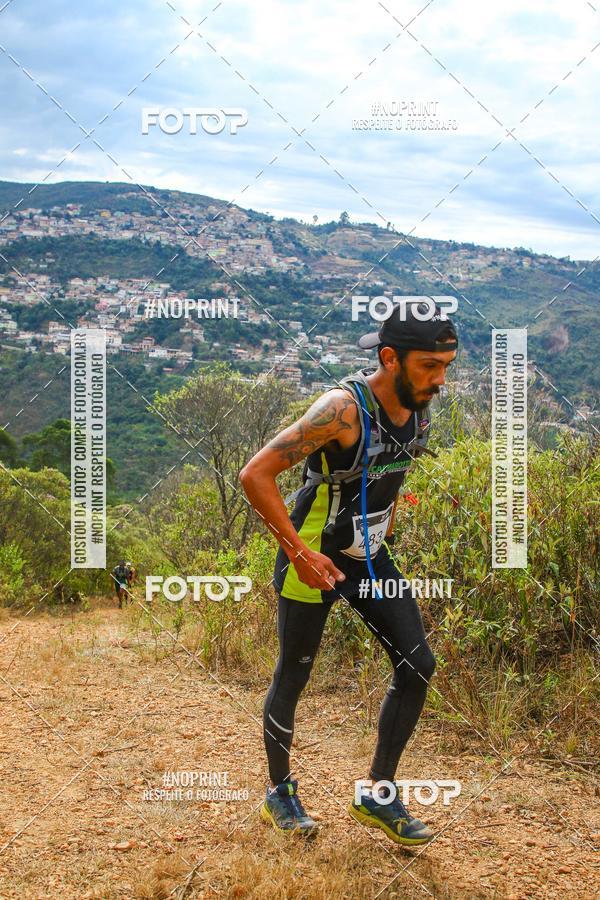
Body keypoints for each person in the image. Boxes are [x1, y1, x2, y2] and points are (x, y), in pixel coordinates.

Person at [240, 302, 458, 845]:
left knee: (418, 664)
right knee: (294, 673)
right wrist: (298, 553)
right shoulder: (341, 411)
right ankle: (279, 793)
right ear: (390, 358)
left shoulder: (419, 405)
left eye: (446, 366)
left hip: (369, 559)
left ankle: (377, 794)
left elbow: (388, 474)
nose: (440, 379)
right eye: (430, 366)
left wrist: (381, 527)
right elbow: (255, 474)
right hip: (313, 556)